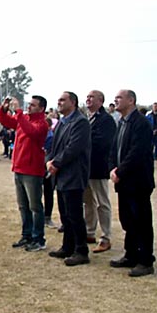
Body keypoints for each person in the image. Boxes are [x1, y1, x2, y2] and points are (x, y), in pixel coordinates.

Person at [109, 89, 156, 277]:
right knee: (128, 220)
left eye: (119, 98)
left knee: (142, 221)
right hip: (123, 181)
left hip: (138, 182)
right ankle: (131, 254)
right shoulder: (121, 123)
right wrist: (112, 167)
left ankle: (145, 261)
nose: (116, 100)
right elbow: (114, 149)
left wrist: (120, 171)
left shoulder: (141, 123)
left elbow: (137, 152)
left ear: (131, 100)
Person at [0, 96, 50, 252]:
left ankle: (38, 238)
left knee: (35, 206)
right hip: (19, 168)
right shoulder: (24, 118)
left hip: (32, 170)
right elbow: (6, 121)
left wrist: (19, 112)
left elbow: (32, 132)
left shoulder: (42, 124)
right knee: (23, 206)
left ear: (41, 109)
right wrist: (4, 109)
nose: (29, 107)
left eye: (33, 105)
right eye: (29, 104)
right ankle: (27, 234)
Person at [46, 92, 92, 266]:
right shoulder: (62, 122)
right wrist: (49, 161)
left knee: (75, 215)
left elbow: (74, 148)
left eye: (63, 100)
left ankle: (81, 251)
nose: (59, 102)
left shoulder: (80, 122)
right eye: (58, 100)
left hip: (73, 174)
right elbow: (54, 146)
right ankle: (68, 246)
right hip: (61, 174)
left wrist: (56, 163)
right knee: (65, 215)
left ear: (73, 102)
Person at [83, 90, 116, 253]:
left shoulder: (106, 120)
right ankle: (89, 232)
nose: (88, 99)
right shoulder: (87, 118)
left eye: (92, 97)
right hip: (86, 168)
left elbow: (102, 143)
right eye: (87, 97)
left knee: (102, 203)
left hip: (98, 167)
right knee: (88, 202)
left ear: (101, 101)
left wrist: (81, 144)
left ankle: (106, 237)